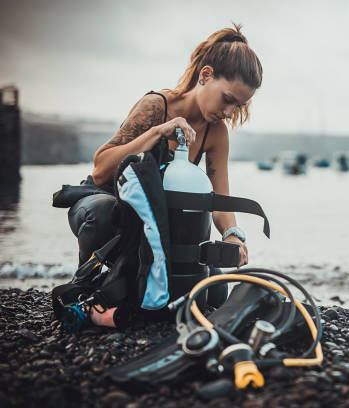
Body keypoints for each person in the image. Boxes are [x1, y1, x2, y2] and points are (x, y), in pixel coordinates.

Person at [66, 24, 262, 307]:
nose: (229, 112)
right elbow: (100, 170)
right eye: (228, 99)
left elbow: (219, 201)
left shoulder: (215, 132)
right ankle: (86, 286)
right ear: (205, 75)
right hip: (108, 209)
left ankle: (131, 282)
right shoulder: (156, 106)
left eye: (238, 106)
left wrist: (232, 235)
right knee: (102, 213)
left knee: (215, 293)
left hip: (155, 224)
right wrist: (157, 132)